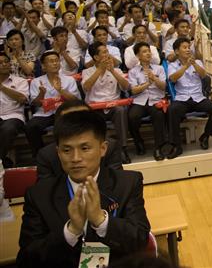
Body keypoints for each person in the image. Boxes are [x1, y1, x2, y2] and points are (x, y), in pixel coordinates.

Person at [17, 110, 151, 266]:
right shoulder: (39, 195)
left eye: (85, 148)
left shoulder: (128, 183)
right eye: (66, 150)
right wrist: (71, 231)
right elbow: (27, 258)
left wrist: (101, 221)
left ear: (103, 149)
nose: (75, 158)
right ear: (58, 152)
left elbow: (140, 240)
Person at [36, 100, 123, 181]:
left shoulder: (110, 146)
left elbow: (117, 183)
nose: (76, 158)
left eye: (83, 118)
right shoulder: (46, 155)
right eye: (69, 120)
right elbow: (45, 192)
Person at [168, 37, 212, 153]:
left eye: (189, 47)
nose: (188, 50)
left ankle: (206, 135)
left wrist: (194, 64)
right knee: (172, 110)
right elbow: (172, 79)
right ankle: (176, 146)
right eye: (184, 48)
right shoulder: (172, 65)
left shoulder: (197, 62)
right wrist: (185, 67)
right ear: (177, 51)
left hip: (198, 98)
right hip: (182, 99)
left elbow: (204, 76)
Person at [81, 42, 131, 164]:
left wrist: (112, 71)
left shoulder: (117, 70)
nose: (107, 55)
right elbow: (86, 88)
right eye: (104, 52)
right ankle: (97, 153)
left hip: (114, 106)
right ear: (96, 57)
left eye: (107, 51)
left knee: (121, 111)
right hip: (95, 107)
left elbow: (126, 87)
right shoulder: (87, 72)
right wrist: (100, 69)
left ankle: (123, 148)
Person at [25, 50, 81, 156]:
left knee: (63, 125)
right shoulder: (36, 82)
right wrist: (41, 94)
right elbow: (35, 104)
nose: (55, 63)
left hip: (64, 112)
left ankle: (65, 153)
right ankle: (39, 155)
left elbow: (75, 101)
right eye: (51, 61)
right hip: (44, 113)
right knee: (30, 127)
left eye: (57, 61)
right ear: (43, 66)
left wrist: (61, 90)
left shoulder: (69, 80)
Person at [128, 42, 168, 161]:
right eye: (144, 51)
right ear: (138, 56)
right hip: (140, 101)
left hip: (156, 100)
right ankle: (138, 141)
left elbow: (163, 87)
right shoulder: (133, 71)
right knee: (132, 116)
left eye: (149, 51)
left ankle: (158, 148)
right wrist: (147, 84)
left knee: (159, 115)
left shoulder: (159, 68)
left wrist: (154, 78)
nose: (148, 53)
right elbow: (134, 90)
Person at [0, 51, 29, 168]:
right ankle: (3, 160)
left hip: (13, 116)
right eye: (0, 63)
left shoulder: (20, 81)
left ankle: (0, 160)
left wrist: (2, 87)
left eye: (6, 62)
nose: (4, 64)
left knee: (8, 129)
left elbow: (22, 99)